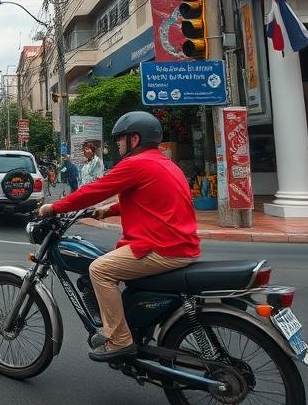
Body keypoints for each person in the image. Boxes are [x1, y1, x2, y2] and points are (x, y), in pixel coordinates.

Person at [37, 111, 200, 361]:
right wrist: (109, 210)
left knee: (99, 269)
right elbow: (149, 200)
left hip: (161, 248)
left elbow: (93, 191)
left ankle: (119, 340)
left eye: (120, 138)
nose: (117, 143)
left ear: (134, 139)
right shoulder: (166, 163)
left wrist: (54, 207)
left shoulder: (135, 163)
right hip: (179, 244)